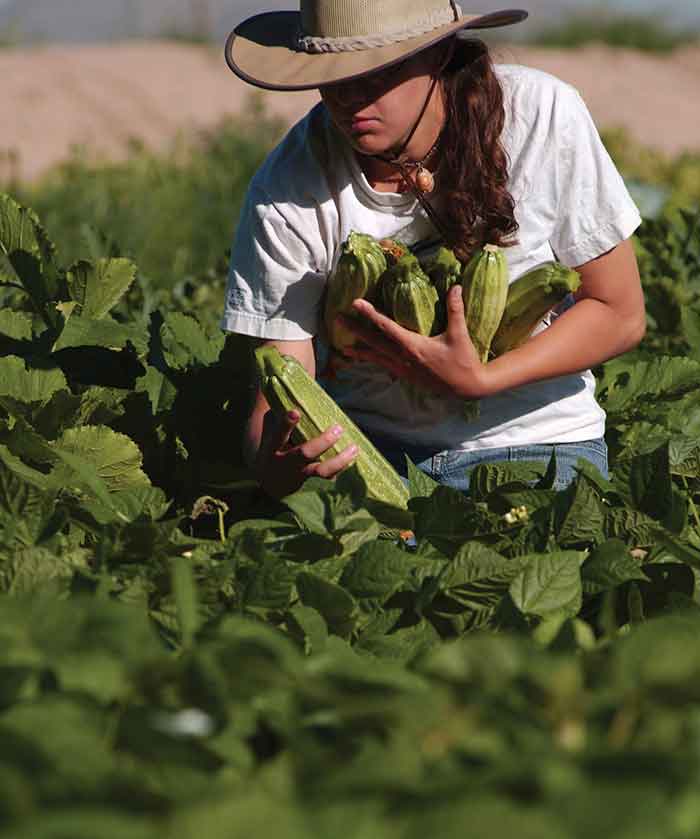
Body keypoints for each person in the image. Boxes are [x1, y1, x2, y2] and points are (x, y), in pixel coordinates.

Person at [221, 0, 646, 499]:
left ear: (439, 54)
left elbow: (620, 313)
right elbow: (280, 382)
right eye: (332, 75)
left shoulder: (541, 117)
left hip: (538, 448)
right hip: (371, 454)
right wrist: (272, 463)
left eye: (378, 72)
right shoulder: (287, 185)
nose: (352, 97)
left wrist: (479, 380)